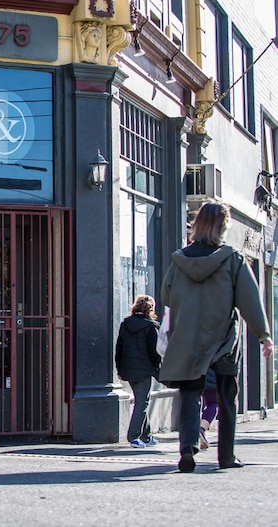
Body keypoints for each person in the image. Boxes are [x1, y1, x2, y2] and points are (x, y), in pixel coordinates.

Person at [159, 200, 274, 472]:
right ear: (223, 226)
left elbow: (166, 296)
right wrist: (263, 335)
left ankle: (187, 447)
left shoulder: (179, 260)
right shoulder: (232, 259)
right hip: (222, 341)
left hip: (187, 339)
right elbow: (249, 300)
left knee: (190, 393)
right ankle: (226, 456)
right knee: (226, 397)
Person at [115, 295, 162, 448]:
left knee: (141, 400)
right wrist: (157, 367)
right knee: (142, 402)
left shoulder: (125, 324)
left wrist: (119, 368)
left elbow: (119, 348)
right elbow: (154, 351)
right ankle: (133, 436)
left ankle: (146, 436)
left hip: (128, 369)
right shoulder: (151, 326)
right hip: (144, 370)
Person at [199, 368, 218, 450]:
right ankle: (201, 429)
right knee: (213, 404)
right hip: (213, 378)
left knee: (193, 403)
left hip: (196, 375)